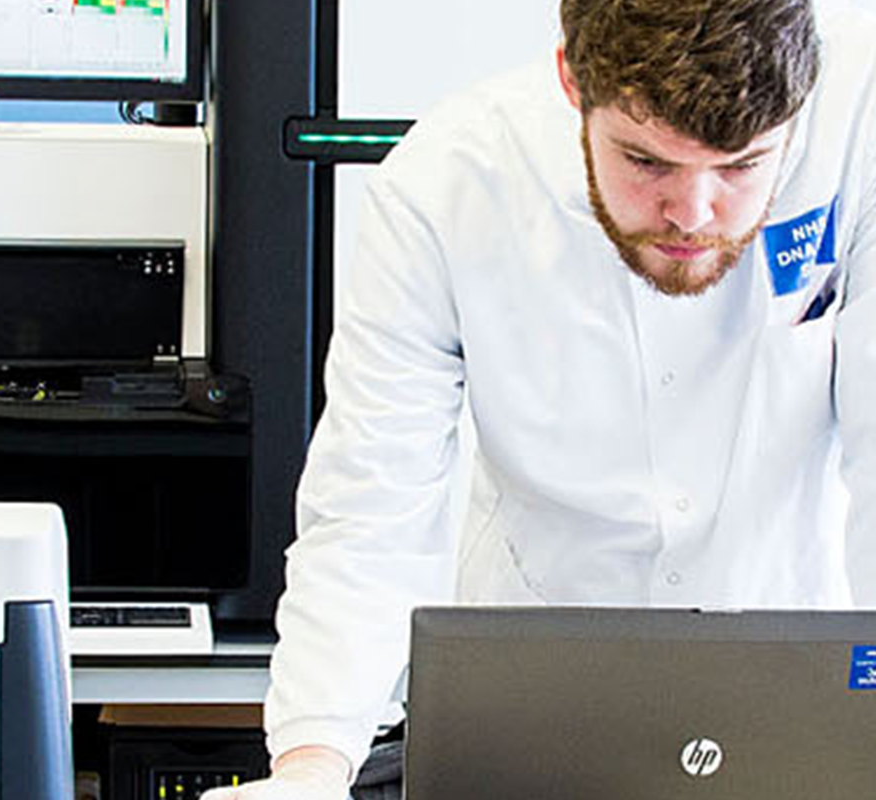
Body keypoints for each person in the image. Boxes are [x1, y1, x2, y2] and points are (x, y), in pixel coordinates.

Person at [205, 1, 876, 798]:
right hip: (533, 715)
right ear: (571, 79)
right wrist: (312, 764)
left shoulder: (858, 127)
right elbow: (373, 507)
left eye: (740, 168)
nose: (693, 215)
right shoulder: (447, 185)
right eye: (647, 162)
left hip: (792, 686)